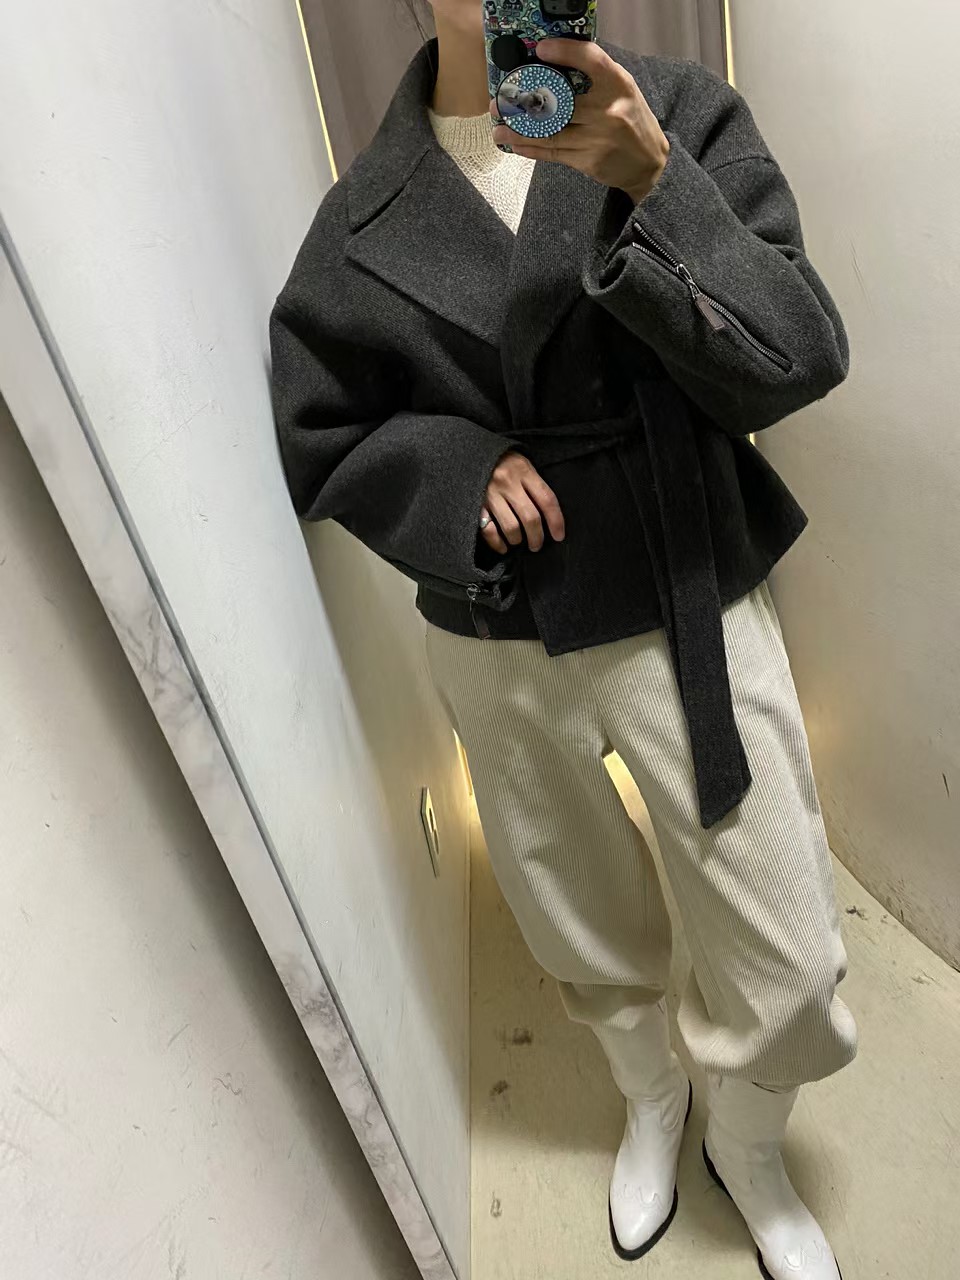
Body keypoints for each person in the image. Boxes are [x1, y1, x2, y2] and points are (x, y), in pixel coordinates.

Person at [269, 3, 857, 1277]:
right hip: (503, 624)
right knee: (576, 913)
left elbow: (802, 351)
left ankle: (745, 1143)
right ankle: (652, 1094)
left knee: (793, 956)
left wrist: (657, 185)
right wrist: (453, 471)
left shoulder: (678, 116)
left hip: (683, 582)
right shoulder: (361, 214)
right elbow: (323, 426)